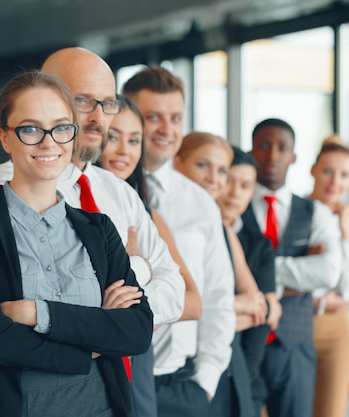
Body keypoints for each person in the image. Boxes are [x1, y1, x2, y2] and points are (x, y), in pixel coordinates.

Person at [0, 70, 153, 417]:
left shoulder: (99, 229)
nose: (48, 142)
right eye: (30, 129)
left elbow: (136, 332)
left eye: (61, 127)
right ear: (5, 137)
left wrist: (38, 313)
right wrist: (94, 341)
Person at [0, 48, 186, 329]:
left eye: (108, 103)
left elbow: (175, 290)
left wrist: (115, 318)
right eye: (84, 101)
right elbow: (20, 302)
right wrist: (139, 267)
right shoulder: (12, 183)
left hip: (118, 371)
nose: (98, 117)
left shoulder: (117, 190)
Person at [123, 67, 235, 416]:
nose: (166, 129)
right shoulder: (106, 192)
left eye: (174, 117)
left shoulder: (199, 200)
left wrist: (207, 380)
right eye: (152, 117)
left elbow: (218, 292)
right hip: (118, 380)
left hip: (182, 384)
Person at [98, 95, 202, 417]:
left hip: (135, 358)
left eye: (134, 140)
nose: (124, 150)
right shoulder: (68, 204)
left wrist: (135, 315)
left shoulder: (147, 215)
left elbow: (194, 302)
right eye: (113, 137)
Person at [242, 118, 342, 417]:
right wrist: (299, 270)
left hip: (294, 346)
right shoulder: (235, 204)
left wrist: (259, 271)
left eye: (282, 148)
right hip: (242, 341)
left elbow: (328, 273)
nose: (273, 155)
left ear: (294, 156)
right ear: (252, 150)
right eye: (264, 146)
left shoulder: (315, 212)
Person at [173, 132, 270, 417]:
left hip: (218, 366)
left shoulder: (222, 228)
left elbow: (258, 307)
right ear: (178, 163)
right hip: (176, 366)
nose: (214, 179)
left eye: (221, 171)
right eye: (203, 166)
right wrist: (234, 305)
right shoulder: (160, 216)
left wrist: (217, 311)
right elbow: (172, 302)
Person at [217, 145, 282, 417]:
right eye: (229, 181)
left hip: (244, 373)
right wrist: (239, 308)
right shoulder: (186, 235)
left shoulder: (259, 246)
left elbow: (263, 315)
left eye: (245, 186)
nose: (234, 193)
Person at [309, 134, 349, 417]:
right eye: (328, 171)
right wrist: (319, 299)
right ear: (313, 170)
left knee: (331, 411)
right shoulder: (295, 212)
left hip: (336, 332)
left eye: (344, 174)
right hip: (294, 324)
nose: (335, 182)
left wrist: (343, 230)